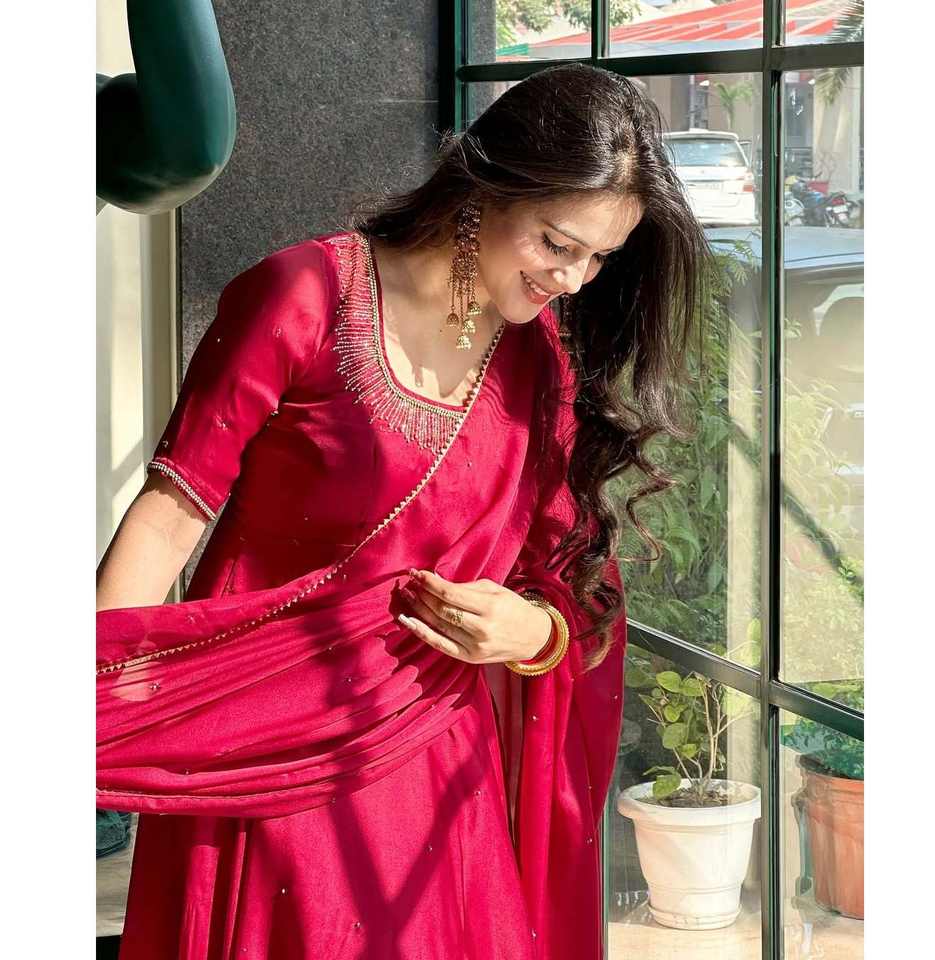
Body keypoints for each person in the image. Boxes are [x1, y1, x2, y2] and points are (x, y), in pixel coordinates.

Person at [96, 63, 708, 960]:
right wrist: (101, 698)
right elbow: (170, 510)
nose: (575, 279)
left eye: (600, 258)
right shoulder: (303, 294)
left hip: (432, 750)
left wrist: (531, 632)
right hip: (265, 740)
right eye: (557, 243)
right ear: (488, 187)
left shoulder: (537, 363)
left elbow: (565, 576)